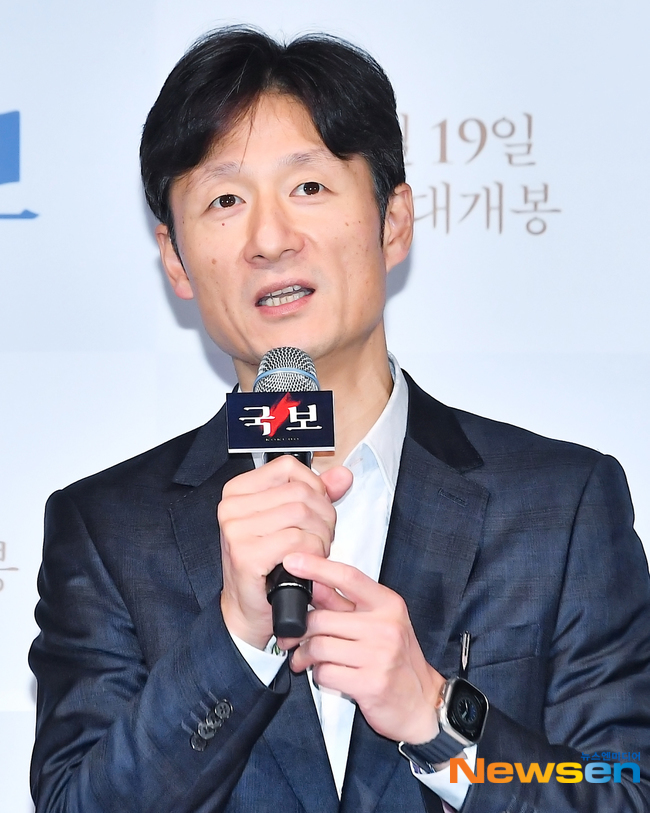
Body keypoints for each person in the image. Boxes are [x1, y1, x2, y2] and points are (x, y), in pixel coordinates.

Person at [29, 27, 650, 813]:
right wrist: (234, 636)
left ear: (394, 221)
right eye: (225, 200)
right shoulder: (108, 530)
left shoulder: (561, 504)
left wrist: (439, 719)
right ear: (176, 259)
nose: (269, 239)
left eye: (310, 187)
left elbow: (621, 789)